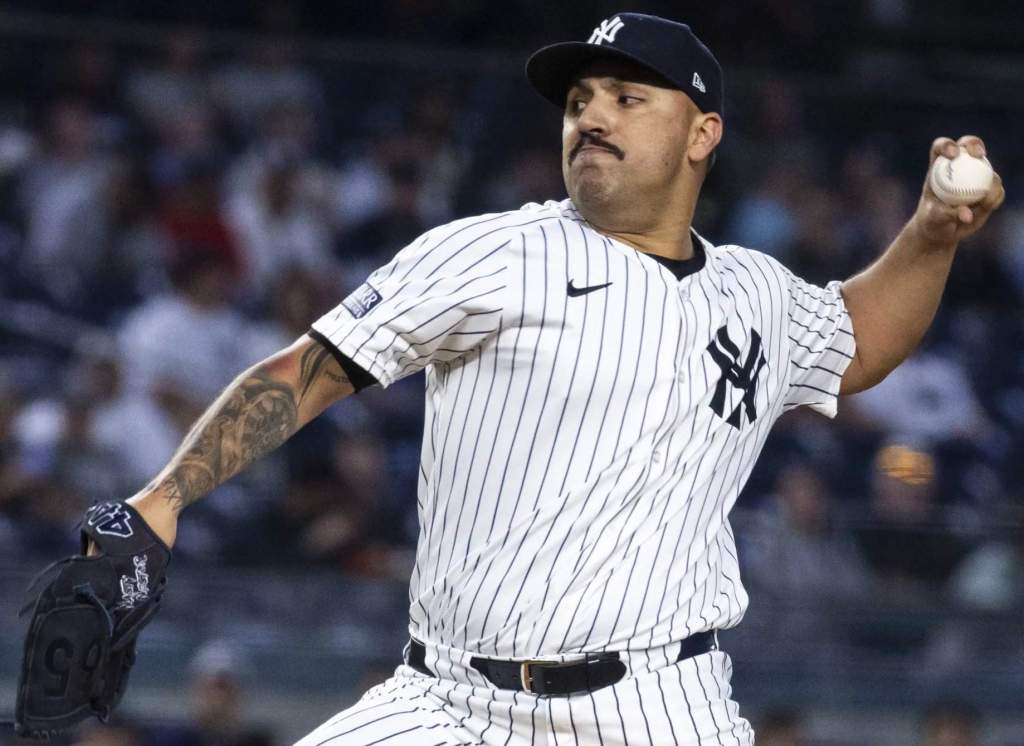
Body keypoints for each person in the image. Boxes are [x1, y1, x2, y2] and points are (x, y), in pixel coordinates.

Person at [101, 12, 1004, 745]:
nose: (592, 117)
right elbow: (307, 373)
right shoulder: (492, 254)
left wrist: (931, 233)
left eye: (626, 97)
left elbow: (858, 340)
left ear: (703, 133)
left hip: (661, 706)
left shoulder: (756, 293)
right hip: (447, 702)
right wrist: (165, 498)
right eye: (578, 101)